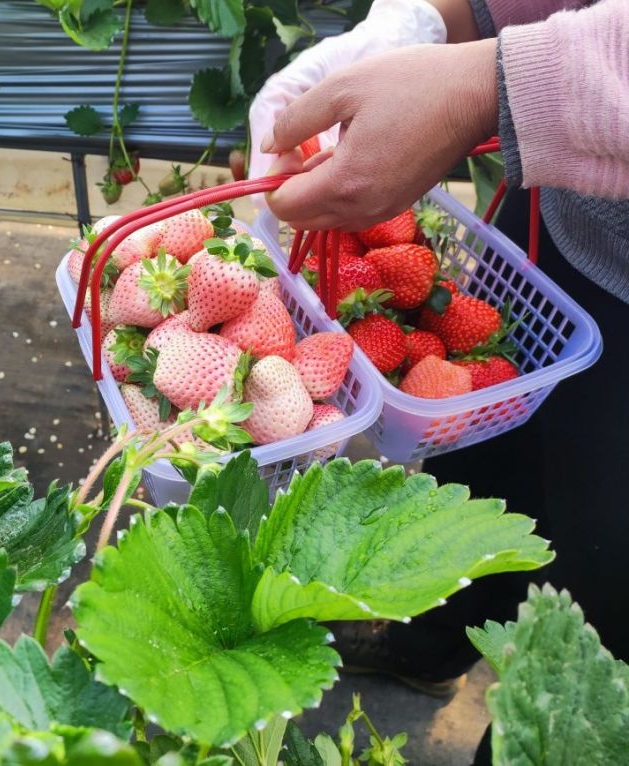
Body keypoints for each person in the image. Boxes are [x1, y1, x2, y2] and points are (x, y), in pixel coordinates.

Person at [249, 1, 628, 762]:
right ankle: (430, 645)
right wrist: (444, 16)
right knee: (481, 472)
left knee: (602, 608)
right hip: (568, 192)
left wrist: (488, 84)